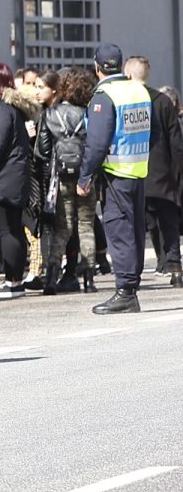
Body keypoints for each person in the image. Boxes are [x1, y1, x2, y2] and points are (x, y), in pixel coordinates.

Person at [79, 43, 151, 315]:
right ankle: (132, 285)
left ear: (97, 67)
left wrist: (85, 177)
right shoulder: (139, 90)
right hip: (138, 169)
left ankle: (125, 292)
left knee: (119, 230)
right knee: (134, 230)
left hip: (116, 172)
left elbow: (96, 144)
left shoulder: (105, 95)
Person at [38, 67, 97, 294]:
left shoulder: (51, 114)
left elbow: (42, 151)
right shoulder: (89, 114)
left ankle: (51, 278)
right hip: (86, 176)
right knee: (86, 226)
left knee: (63, 227)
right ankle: (89, 280)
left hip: (61, 175)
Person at [125, 55, 183, 286]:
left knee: (137, 227)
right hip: (162, 174)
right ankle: (176, 268)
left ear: (128, 74)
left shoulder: (126, 101)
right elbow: (176, 143)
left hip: (132, 171)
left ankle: (134, 272)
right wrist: (177, 174)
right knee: (168, 223)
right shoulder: (163, 101)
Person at [0, 64, 32, 300]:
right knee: (13, 230)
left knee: (7, 230)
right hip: (16, 177)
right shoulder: (12, 109)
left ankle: (13, 281)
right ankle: (16, 280)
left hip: (5, 179)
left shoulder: (1, 110)